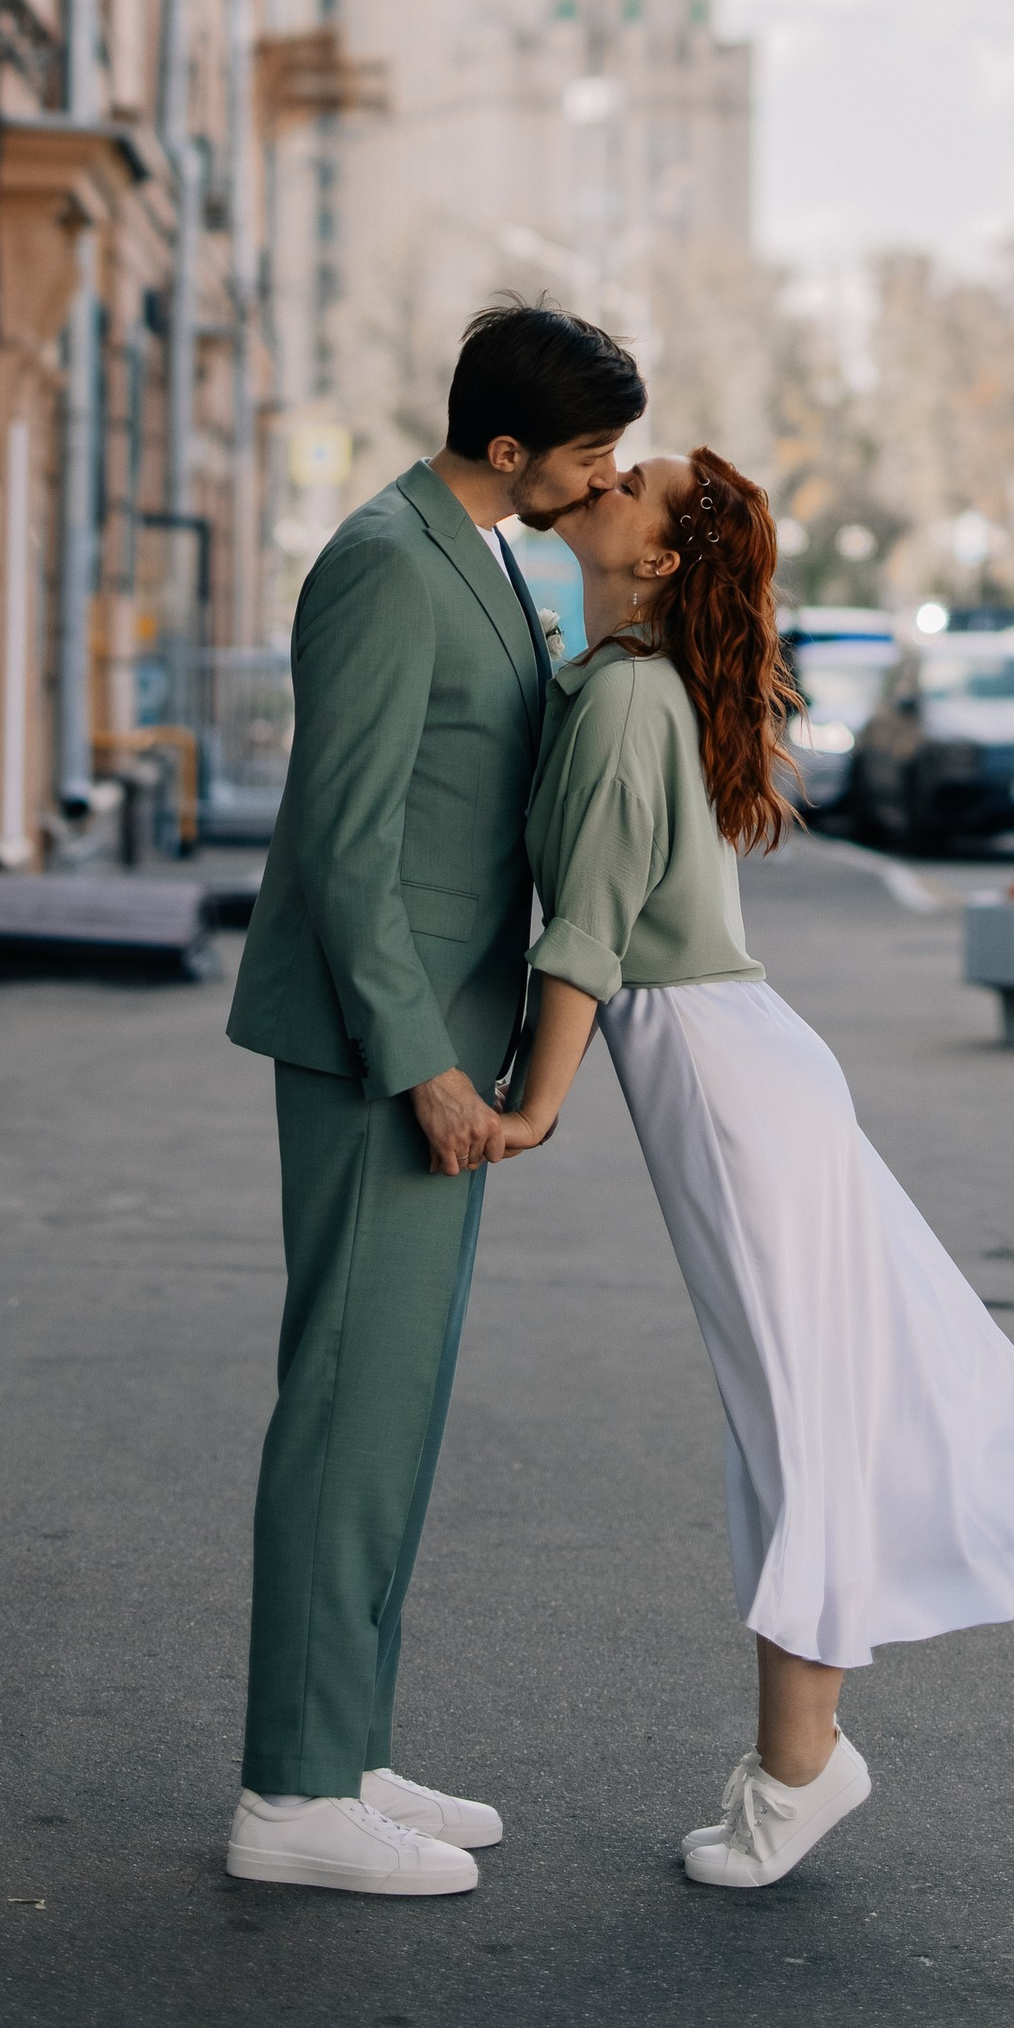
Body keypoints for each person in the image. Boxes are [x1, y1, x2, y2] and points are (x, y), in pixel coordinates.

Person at [494, 447, 1014, 1890]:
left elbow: (588, 928)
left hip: (724, 1078)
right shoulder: (620, 677)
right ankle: (800, 1755)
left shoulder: (630, 694)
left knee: (794, 1417)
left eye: (635, 482)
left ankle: (801, 1765)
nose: (608, 478)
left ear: (659, 558)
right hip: (739, 1063)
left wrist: (532, 1108)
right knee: (803, 1409)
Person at [223, 300, 647, 1898]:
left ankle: (345, 1741)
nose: (607, 475)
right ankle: (290, 1793)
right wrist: (424, 1064)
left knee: (390, 1407)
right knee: (347, 1404)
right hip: (380, 1054)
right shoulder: (388, 561)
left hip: (442, 1039)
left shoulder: (480, 552)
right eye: (591, 449)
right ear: (511, 444)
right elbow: (343, 842)